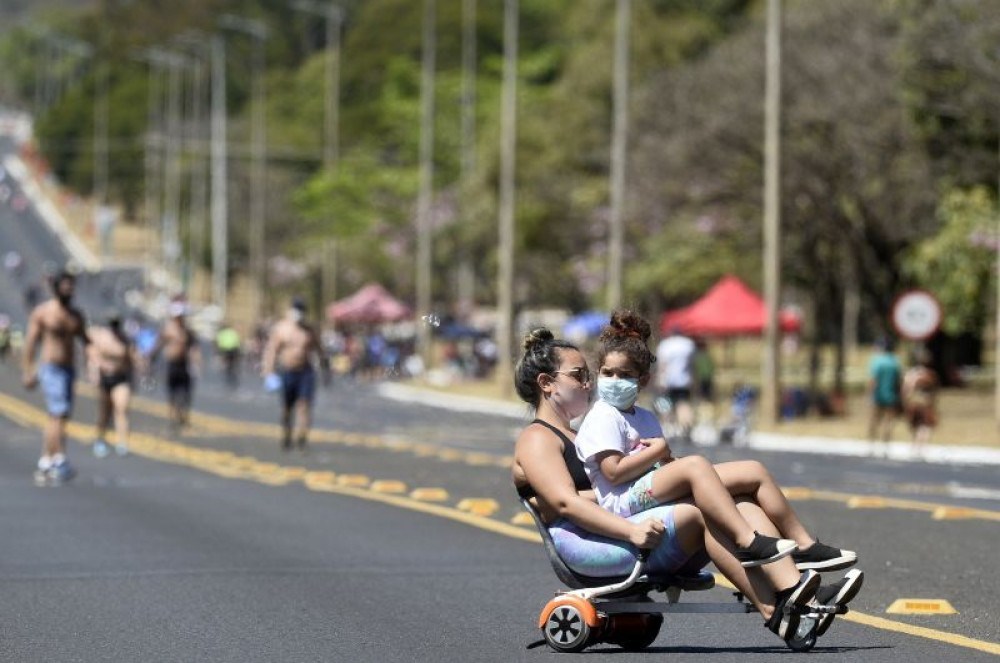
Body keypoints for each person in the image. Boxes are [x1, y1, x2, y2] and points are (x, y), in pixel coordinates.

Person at [510, 329, 863, 643]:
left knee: (732, 500)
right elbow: (565, 505)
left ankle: (797, 590)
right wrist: (630, 532)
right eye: (579, 375)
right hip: (590, 543)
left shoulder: (581, 432)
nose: (589, 384)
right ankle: (776, 609)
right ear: (546, 383)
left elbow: (593, 493)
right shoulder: (538, 439)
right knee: (700, 510)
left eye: (588, 375)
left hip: (611, 525)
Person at [577, 310, 857, 572]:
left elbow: (664, 465)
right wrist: (661, 452)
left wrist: (667, 460)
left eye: (625, 375)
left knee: (753, 472)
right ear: (598, 374)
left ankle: (804, 546)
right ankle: (747, 541)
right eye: (608, 373)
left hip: (649, 487)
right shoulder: (603, 415)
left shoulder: (646, 417)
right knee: (696, 465)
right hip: (624, 500)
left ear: (644, 380)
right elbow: (613, 473)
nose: (615, 380)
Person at [21, 271, 91, 484]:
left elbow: (86, 341)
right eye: (65, 286)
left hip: (69, 369)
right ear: (56, 288)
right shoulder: (43, 313)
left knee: (59, 415)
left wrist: (93, 364)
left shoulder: (76, 316)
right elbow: (31, 343)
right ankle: (59, 458)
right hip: (50, 368)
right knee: (58, 413)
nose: (69, 290)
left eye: (71, 286)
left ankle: (46, 460)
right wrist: (28, 370)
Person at [261, 297, 329, 451]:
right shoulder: (282, 328)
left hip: (305, 372)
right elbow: (272, 350)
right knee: (287, 407)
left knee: (304, 405)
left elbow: (320, 350)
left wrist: (326, 369)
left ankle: (302, 437)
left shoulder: (310, 331)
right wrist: (269, 371)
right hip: (287, 372)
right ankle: (287, 434)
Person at [88, 311, 138, 457]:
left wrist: (134, 380)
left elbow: (131, 361)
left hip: (120, 378)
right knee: (105, 411)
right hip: (105, 378)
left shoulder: (125, 341)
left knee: (121, 408)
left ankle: (122, 442)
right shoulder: (101, 337)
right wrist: (94, 371)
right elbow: (92, 355)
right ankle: (100, 439)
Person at [151, 301, 201, 434]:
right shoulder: (168, 330)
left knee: (186, 394)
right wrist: (151, 357)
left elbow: (194, 348)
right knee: (172, 394)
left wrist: (196, 363)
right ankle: (173, 420)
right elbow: (158, 344)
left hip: (184, 365)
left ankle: (184, 419)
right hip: (172, 365)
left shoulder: (188, 332)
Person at [655, 326, 696, 436]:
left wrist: (659, 378)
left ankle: (667, 426)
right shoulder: (688, 344)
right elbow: (692, 364)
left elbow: (662, 365)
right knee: (683, 404)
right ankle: (686, 427)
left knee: (665, 403)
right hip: (684, 380)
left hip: (667, 380)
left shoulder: (665, 345)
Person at [901, 347, 938, 459]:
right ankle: (921, 448)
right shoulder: (930, 374)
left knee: (915, 425)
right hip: (925, 402)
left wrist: (906, 401)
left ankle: (914, 447)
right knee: (925, 426)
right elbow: (934, 391)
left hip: (913, 402)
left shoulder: (911, 373)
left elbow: (905, 389)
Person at [868, 336, 902, 451]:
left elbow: (873, 380)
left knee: (874, 421)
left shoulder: (877, 361)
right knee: (889, 421)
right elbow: (899, 381)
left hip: (878, 395)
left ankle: (871, 444)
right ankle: (885, 445)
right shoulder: (895, 362)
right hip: (892, 396)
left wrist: (870, 394)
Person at [215, 321, 242, 388]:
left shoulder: (222, 333)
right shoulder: (233, 332)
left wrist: (218, 350)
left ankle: (227, 368)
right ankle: (233, 369)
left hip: (225, 349)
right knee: (233, 362)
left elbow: (219, 341)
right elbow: (237, 340)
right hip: (234, 349)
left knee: (226, 361)